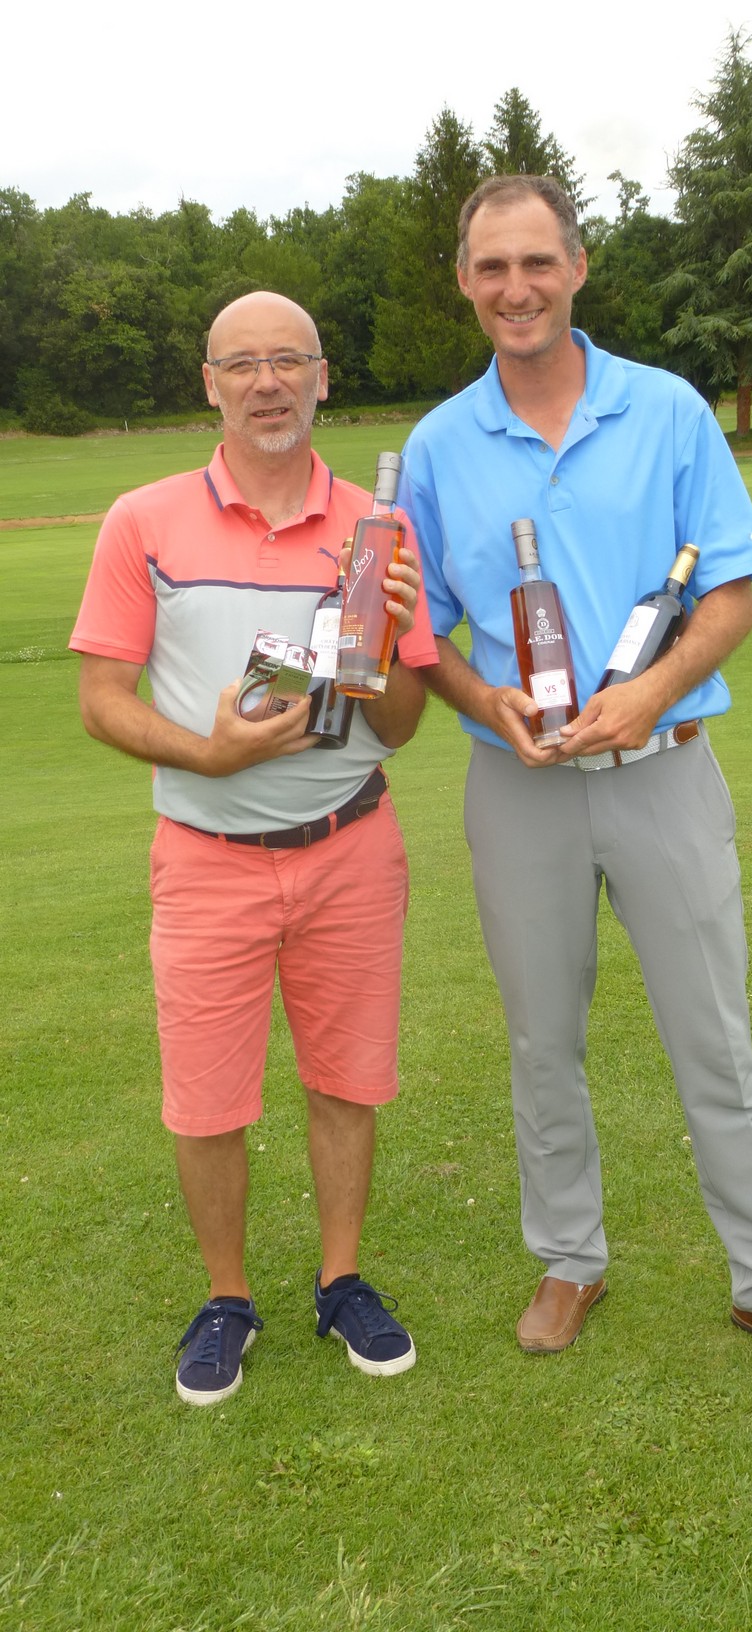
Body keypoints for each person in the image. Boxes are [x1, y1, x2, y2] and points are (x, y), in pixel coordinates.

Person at [398, 175, 752, 1377]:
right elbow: (425, 636)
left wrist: (650, 692)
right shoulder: (440, 444)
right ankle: (568, 1260)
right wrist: (479, 697)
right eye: (491, 267)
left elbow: (728, 597)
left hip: (665, 770)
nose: (515, 288)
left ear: (577, 267)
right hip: (517, 786)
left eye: (535, 262)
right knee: (540, 1042)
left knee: (712, 1039)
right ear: (465, 281)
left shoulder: (663, 409)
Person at [71, 291, 438, 1403]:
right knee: (206, 1099)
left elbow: (398, 725)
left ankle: (340, 1280)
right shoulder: (143, 519)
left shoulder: (378, 529)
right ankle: (227, 1298)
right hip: (206, 852)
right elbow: (100, 699)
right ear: (210, 384)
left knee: (347, 1080)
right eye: (243, 364)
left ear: (323, 378)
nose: (267, 382)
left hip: (349, 845)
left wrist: (397, 639)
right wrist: (209, 753)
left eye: (289, 361)